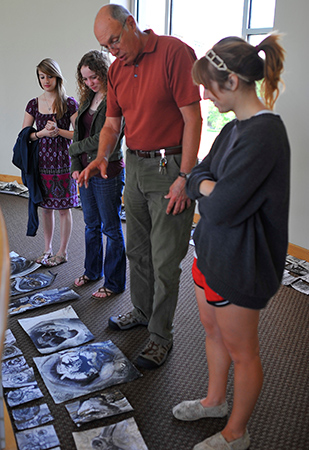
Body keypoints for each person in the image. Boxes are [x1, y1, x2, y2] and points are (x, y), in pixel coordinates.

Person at [172, 35, 290, 450]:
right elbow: (198, 173)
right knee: (212, 332)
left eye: (208, 86)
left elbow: (219, 205)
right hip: (211, 251)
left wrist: (202, 184)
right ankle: (215, 401)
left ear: (234, 80)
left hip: (243, 262)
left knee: (243, 351)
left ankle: (236, 434)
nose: (204, 96)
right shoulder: (234, 129)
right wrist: (203, 181)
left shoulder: (264, 134)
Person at [78, 4, 202, 369]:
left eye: (115, 39)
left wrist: (185, 177)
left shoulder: (174, 53)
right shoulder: (116, 69)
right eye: (105, 44)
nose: (112, 49)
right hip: (133, 165)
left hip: (170, 166)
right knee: (137, 250)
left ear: (131, 24)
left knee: (165, 261)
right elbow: (112, 125)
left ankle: (161, 336)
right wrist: (101, 156)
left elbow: (193, 118)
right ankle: (142, 311)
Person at [69, 50, 126, 299]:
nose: (90, 82)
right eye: (85, 79)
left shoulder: (115, 99)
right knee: (91, 225)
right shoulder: (86, 100)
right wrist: (74, 165)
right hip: (84, 172)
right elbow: (79, 133)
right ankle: (92, 272)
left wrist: (72, 148)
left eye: (93, 77)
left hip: (107, 172)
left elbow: (101, 137)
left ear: (104, 73)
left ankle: (114, 283)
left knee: (111, 229)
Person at [22, 58, 79, 267]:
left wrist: (58, 132)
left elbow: (79, 135)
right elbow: (25, 136)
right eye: (42, 76)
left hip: (64, 162)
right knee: (46, 208)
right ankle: (47, 249)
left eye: (49, 76)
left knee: (64, 209)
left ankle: (62, 252)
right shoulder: (33, 104)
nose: (46, 80)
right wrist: (42, 133)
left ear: (57, 76)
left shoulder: (70, 103)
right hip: (42, 163)